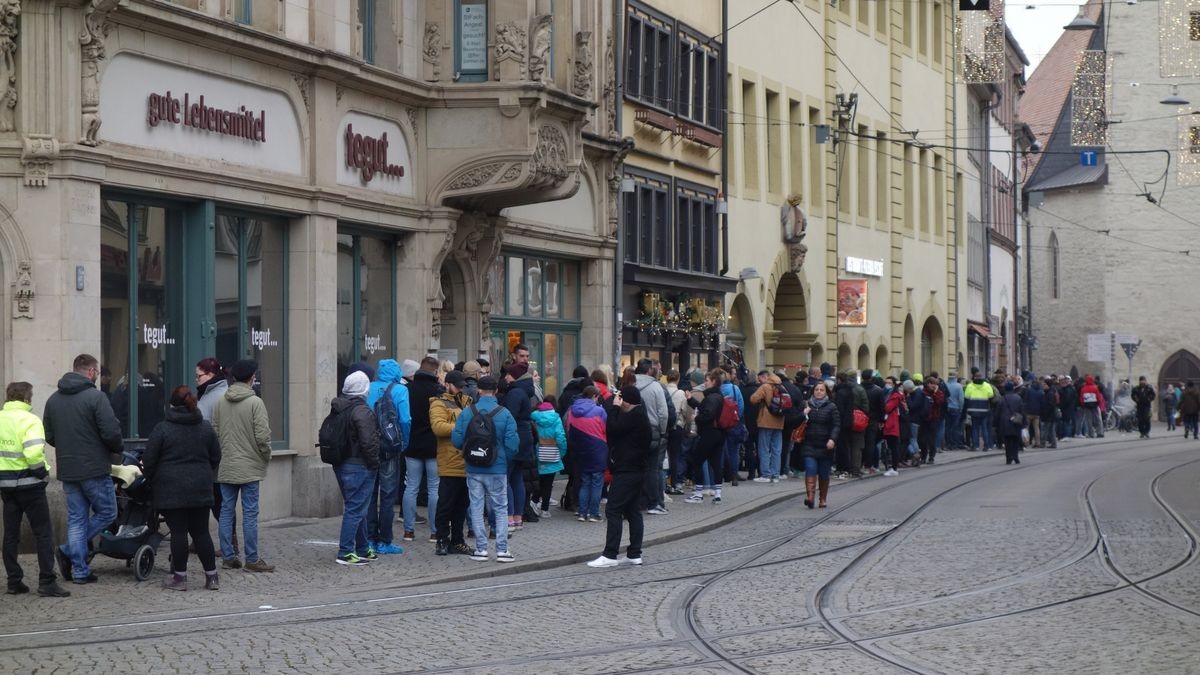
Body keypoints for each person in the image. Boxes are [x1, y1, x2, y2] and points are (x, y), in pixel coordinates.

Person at [44, 354, 123, 585]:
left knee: (77, 519)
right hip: (94, 467)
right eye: (96, 371)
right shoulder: (96, 398)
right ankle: (69, 550)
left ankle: (80, 571)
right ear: (90, 372)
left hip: (68, 468)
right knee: (108, 512)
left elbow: (49, 435)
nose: (97, 375)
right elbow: (111, 433)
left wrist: (68, 446)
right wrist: (116, 448)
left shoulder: (53, 400)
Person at [142, 386, 222, 589]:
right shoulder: (204, 427)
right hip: (201, 487)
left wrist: (154, 478)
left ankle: (179, 578)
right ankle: (212, 577)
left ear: (171, 405)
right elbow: (216, 456)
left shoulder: (163, 428)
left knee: (178, 532)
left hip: (171, 488)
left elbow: (149, 459)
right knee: (202, 532)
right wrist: (203, 472)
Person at [0, 382, 70, 597]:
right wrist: (42, 474)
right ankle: (47, 581)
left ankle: (14, 581)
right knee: (43, 533)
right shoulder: (30, 420)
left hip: (6, 485)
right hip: (30, 485)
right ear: (27, 398)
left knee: (10, 534)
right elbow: (32, 454)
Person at [212, 359, 274, 573]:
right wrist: (266, 457)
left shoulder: (221, 401)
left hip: (227, 465)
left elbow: (215, 433)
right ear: (251, 378)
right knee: (249, 514)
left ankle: (228, 556)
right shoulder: (255, 403)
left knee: (225, 512)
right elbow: (263, 437)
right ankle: (252, 558)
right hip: (250, 466)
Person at [452, 376, 519, 562]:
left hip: (474, 467)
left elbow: (456, 440)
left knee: (476, 506)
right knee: (500, 507)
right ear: (496, 391)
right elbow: (513, 444)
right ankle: (502, 550)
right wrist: (503, 459)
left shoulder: (467, 412)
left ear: (479, 391)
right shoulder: (504, 413)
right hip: (497, 468)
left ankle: (481, 549)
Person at [587, 385, 653, 568]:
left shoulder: (634, 416)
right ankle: (634, 553)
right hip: (636, 470)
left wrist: (615, 408)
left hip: (628, 470)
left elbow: (612, 429)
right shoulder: (638, 415)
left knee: (613, 510)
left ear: (626, 400)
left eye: (620, 398)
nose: (617, 400)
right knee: (632, 510)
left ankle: (610, 554)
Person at [329, 371, 381, 565]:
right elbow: (369, 442)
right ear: (365, 389)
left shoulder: (338, 407)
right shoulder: (362, 411)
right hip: (360, 465)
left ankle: (362, 548)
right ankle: (345, 551)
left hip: (341, 463)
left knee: (358, 507)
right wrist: (374, 463)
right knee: (355, 508)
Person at [365, 359, 411, 555]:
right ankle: (385, 541)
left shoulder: (368, 387)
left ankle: (369, 540)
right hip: (390, 448)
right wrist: (404, 443)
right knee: (387, 495)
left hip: (369, 447)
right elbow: (405, 420)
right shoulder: (400, 390)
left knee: (369, 495)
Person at [430, 371, 472, 555]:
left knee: (462, 506)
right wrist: (463, 428)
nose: (460, 389)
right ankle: (441, 540)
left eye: (462, 386)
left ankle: (457, 540)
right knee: (445, 505)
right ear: (447, 384)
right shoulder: (438, 403)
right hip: (449, 462)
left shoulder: (467, 401)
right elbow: (438, 427)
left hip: (467, 461)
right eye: (457, 386)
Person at [403, 356, 441, 542]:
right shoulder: (438, 391)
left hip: (412, 444)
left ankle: (408, 530)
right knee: (434, 488)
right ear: (435, 371)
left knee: (411, 487)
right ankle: (434, 531)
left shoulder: (407, 390)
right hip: (434, 445)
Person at [502, 362, 536, 530]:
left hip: (515, 437)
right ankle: (517, 517)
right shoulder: (525, 391)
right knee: (517, 478)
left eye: (508, 374)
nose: (505, 377)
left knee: (506, 478)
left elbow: (509, 417)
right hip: (525, 437)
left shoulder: (515, 392)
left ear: (514, 376)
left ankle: (509, 517)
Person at [567, 386, 608, 522]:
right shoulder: (599, 411)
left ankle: (582, 512)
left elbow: (568, 429)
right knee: (596, 482)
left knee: (584, 482)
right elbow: (604, 429)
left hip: (580, 450)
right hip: (597, 449)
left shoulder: (572, 410)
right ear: (595, 396)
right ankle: (594, 513)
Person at [685, 370, 727, 505]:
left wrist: (696, 418)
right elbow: (703, 408)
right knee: (715, 463)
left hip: (709, 434)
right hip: (719, 434)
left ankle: (698, 493)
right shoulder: (717, 396)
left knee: (697, 460)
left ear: (713, 382)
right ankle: (718, 494)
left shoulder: (712, 397)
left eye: (707, 381)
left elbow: (707, 414)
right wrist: (690, 400)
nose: (705, 383)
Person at [801, 381, 840, 508]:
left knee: (824, 473)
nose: (818, 392)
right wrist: (803, 414)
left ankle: (822, 498)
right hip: (809, 444)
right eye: (816, 389)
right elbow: (796, 421)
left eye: (821, 390)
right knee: (810, 469)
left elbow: (836, 425)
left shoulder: (831, 407)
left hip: (825, 446)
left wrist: (832, 439)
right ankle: (810, 498)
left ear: (826, 392)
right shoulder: (806, 405)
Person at [532, 397, 566, 518]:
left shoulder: (534, 418)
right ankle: (545, 510)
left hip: (538, 452)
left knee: (538, 481)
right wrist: (561, 453)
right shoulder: (556, 419)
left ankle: (534, 501)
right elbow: (560, 437)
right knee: (548, 483)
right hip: (552, 452)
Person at [749, 370, 786, 482]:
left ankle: (765, 474)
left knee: (764, 448)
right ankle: (775, 475)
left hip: (766, 421)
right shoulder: (781, 386)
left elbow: (753, 399)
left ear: (766, 377)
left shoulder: (765, 387)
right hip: (779, 421)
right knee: (776, 449)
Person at [963, 371, 994, 452]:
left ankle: (975, 446)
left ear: (974, 377)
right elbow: (991, 395)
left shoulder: (970, 386)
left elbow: (966, 396)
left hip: (973, 410)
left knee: (975, 428)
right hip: (984, 410)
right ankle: (986, 446)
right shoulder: (987, 385)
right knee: (984, 428)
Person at [881, 377, 906, 476]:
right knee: (889, 446)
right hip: (887, 423)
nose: (887, 385)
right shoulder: (886, 394)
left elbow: (887, 408)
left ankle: (894, 467)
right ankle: (891, 466)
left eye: (890, 383)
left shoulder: (895, 396)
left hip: (891, 423)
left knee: (893, 446)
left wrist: (881, 405)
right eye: (886, 383)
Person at [997, 382, 1026, 465]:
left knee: (1007, 441)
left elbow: (998, 412)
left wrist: (995, 423)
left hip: (1004, 422)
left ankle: (1008, 458)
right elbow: (1022, 411)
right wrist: (1024, 422)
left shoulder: (1002, 399)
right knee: (1015, 440)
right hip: (1016, 421)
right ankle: (1016, 456)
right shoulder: (1018, 398)